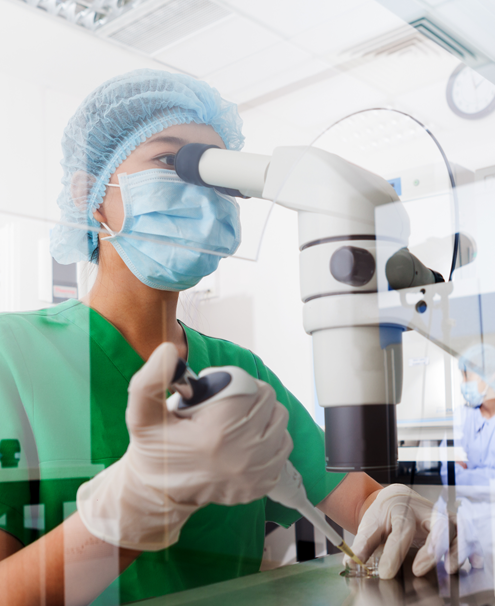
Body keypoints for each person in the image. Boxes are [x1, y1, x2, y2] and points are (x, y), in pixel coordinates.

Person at [0, 69, 461, 604]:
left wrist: (393, 505)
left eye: (217, 175)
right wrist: (136, 505)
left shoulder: (241, 372)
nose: (200, 190)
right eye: (172, 161)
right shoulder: (13, 357)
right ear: (90, 193)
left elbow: (355, 499)